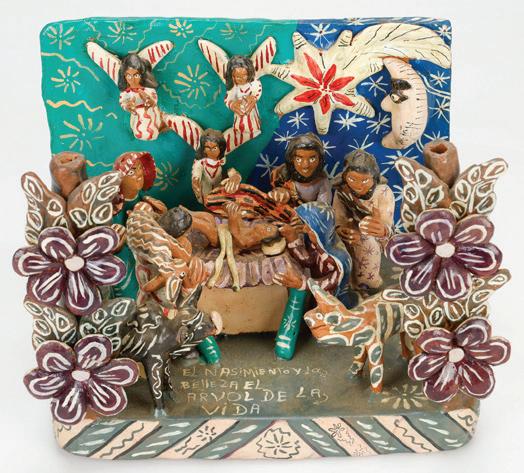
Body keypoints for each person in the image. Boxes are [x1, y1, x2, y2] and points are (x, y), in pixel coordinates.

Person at [333, 149, 394, 294]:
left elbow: (386, 224)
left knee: (367, 242)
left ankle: (369, 282)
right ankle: (346, 281)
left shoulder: (383, 192)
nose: (358, 185)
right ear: (345, 176)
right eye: (352, 179)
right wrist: (342, 228)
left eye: (365, 180)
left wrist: (381, 229)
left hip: (376, 236)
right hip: (352, 231)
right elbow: (339, 217)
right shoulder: (341, 191)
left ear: (374, 178)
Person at [112, 151, 157, 298]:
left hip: (145, 242)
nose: (138, 174)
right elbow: (116, 233)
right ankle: (132, 297)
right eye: (131, 172)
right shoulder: (116, 206)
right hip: (128, 247)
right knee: (127, 263)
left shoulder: (142, 199)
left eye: (139, 169)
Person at [269, 133, 331, 207]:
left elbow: (323, 209)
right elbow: (275, 191)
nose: (305, 165)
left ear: (319, 159)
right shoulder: (281, 173)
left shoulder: (322, 182)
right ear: (291, 159)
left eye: (312, 159)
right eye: (298, 159)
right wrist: (280, 193)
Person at [117, 54, 163, 141]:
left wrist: (149, 100)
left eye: (136, 75)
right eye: (129, 76)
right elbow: (123, 102)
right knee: (139, 129)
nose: (132, 80)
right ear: (124, 77)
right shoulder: (126, 93)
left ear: (142, 75)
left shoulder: (149, 90)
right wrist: (128, 106)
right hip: (137, 118)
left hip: (151, 115)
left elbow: (154, 100)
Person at [191, 129, 241, 204]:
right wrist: (196, 182)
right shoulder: (201, 163)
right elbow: (196, 172)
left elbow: (230, 170)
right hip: (205, 195)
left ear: (220, 149)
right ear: (203, 150)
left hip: (220, 194)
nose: (211, 150)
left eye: (214, 148)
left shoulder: (221, 162)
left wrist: (235, 176)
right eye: (208, 147)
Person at [224, 55, 262, 148]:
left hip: (250, 109)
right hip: (239, 109)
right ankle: (240, 132)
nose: (241, 79)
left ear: (249, 73)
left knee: (252, 121)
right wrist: (232, 104)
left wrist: (253, 98)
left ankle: (254, 130)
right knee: (240, 122)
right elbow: (228, 98)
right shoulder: (234, 87)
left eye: (244, 75)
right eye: (237, 76)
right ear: (232, 76)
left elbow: (258, 89)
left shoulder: (254, 83)